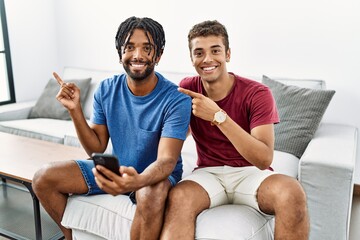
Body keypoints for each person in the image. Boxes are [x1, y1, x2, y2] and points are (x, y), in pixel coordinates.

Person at [32, 16, 191, 240]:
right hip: (118, 169)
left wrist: (137, 181)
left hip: (156, 176)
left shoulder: (176, 99)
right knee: (43, 178)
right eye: (130, 47)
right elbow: (95, 147)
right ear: (120, 53)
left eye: (147, 48)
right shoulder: (106, 89)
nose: (137, 55)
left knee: (150, 194)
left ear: (159, 54)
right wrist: (75, 110)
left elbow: (167, 161)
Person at [160, 20, 309, 240]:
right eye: (199, 52)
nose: (207, 59)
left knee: (291, 192)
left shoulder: (257, 93)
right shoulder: (189, 87)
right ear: (192, 59)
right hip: (208, 173)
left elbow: (263, 158)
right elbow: (177, 134)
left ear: (227, 54)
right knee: (179, 197)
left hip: (251, 173)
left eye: (215, 50)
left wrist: (219, 117)